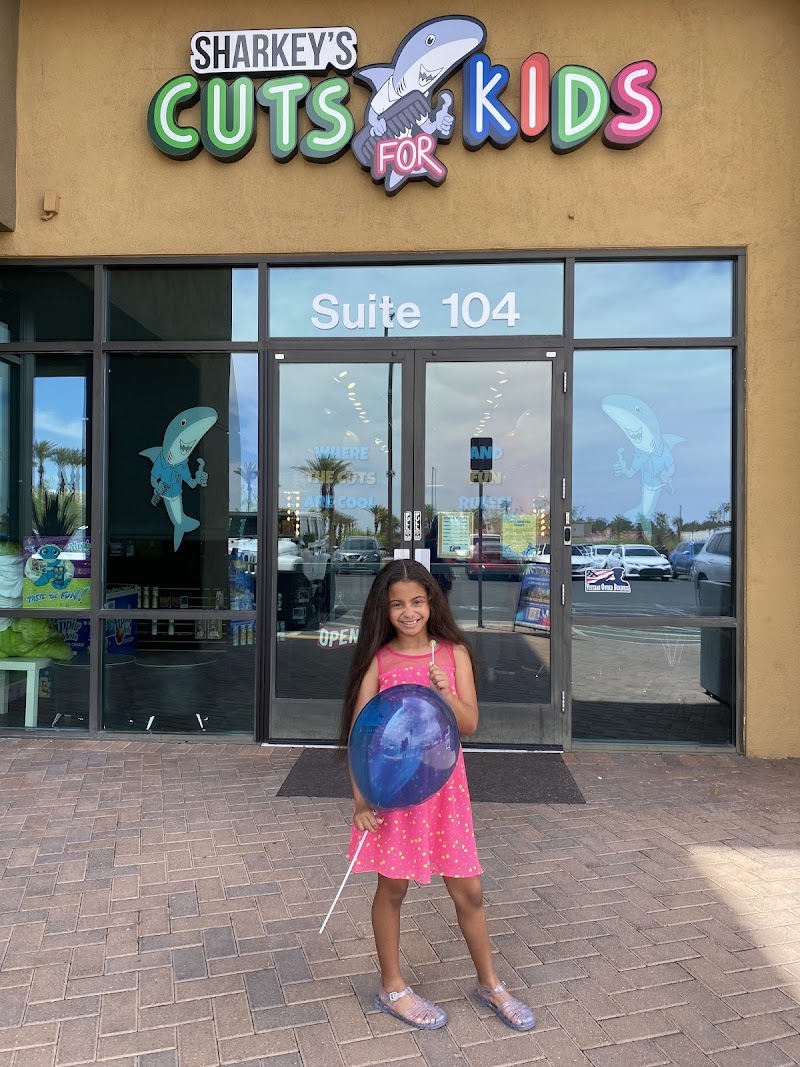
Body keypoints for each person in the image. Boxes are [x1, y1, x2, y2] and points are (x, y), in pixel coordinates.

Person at [338, 559, 535, 1033]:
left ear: (432, 603)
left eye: (417, 602)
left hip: (445, 794)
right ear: (383, 610)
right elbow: (360, 736)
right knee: (392, 888)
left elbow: (469, 724)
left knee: (470, 890)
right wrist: (361, 800)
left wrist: (445, 692)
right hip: (393, 795)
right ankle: (392, 987)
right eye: (397, 604)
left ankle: (490, 984)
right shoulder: (380, 660)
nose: (409, 612)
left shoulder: (453, 653)